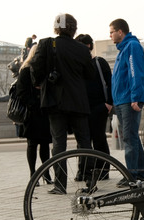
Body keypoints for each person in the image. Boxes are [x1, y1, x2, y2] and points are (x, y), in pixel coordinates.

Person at [30, 13, 95, 195]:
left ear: (56, 28)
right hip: (78, 101)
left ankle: (60, 184)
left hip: (55, 101)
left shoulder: (46, 44)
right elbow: (90, 75)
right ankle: (90, 181)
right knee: (84, 142)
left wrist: (39, 82)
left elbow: (35, 67)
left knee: (59, 142)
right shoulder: (82, 49)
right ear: (74, 29)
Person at [109, 18, 144, 186]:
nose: (110, 35)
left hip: (128, 100)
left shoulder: (132, 46)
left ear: (120, 32)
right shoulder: (124, 49)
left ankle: (131, 176)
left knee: (129, 138)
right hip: (122, 100)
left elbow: (136, 72)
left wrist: (136, 97)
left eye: (111, 32)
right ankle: (140, 174)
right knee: (132, 137)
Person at [75, 34, 113, 179]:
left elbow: (110, 83)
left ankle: (103, 170)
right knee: (83, 141)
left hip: (99, 107)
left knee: (99, 139)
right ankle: (85, 171)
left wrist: (108, 103)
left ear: (88, 46)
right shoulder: (76, 65)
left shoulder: (99, 62)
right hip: (82, 108)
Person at [16, 44, 52, 184]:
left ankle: (46, 173)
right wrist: (32, 104)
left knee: (44, 144)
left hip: (42, 112)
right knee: (32, 144)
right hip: (32, 113)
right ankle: (33, 173)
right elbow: (21, 92)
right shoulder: (26, 70)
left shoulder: (44, 70)